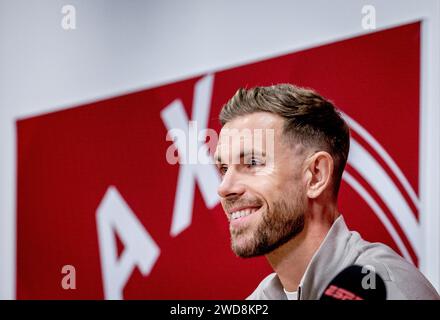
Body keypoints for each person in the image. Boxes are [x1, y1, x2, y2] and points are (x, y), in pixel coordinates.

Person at [214, 84, 439, 300]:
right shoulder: (264, 296)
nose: (224, 188)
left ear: (316, 175)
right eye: (224, 168)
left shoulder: (388, 287)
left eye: (252, 162)